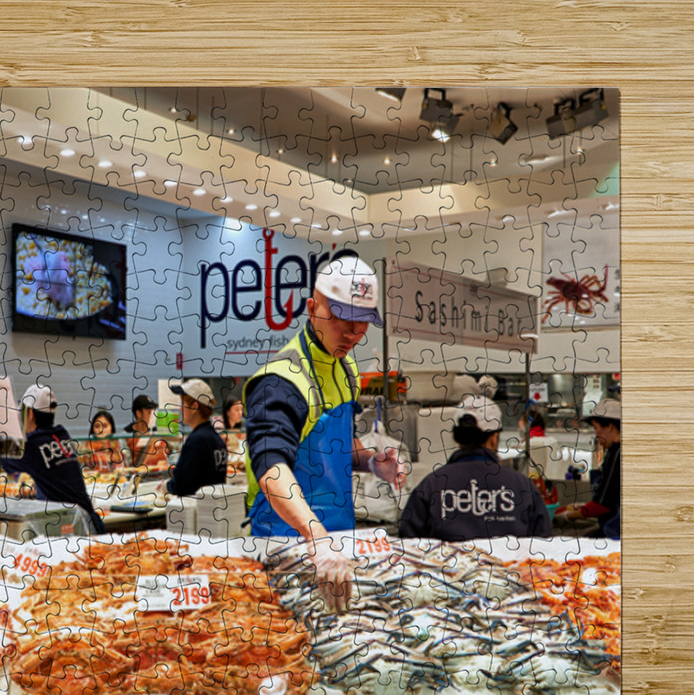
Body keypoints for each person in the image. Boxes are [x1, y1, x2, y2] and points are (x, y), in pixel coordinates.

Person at [243, 255, 406, 611]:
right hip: (286, 546)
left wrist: (373, 463)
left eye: (362, 323)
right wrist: (315, 536)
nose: (352, 334)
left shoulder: (345, 367)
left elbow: (342, 446)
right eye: (341, 320)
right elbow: (271, 468)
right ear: (312, 308)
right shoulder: (279, 381)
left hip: (340, 543)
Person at [398, 395, 553, 542]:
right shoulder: (523, 486)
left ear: (456, 438)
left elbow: (408, 546)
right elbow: (543, 548)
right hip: (510, 570)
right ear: (494, 439)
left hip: (446, 570)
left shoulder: (430, 486)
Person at [1, 384, 107, 534]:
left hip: (71, 527)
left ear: (30, 413)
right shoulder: (63, 434)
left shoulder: (31, 444)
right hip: (90, 521)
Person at [557, 399, 621, 538]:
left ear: (609, 426)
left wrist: (569, 516)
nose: (596, 435)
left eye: (596, 428)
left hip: (615, 532)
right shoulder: (613, 451)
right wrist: (584, 507)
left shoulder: (617, 453)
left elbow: (603, 505)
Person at [162, 379, 228, 497]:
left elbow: (183, 484)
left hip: (198, 510)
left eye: (183, 403)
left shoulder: (197, 440)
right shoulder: (215, 438)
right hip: (212, 509)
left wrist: (166, 487)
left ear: (194, 407)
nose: (180, 408)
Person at [124, 394, 169, 468]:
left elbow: (170, 453)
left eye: (154, 412)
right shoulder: (126, 434)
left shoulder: (157, 432)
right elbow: (126, 463)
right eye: (149, 412)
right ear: (138, 413)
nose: (153, 416)